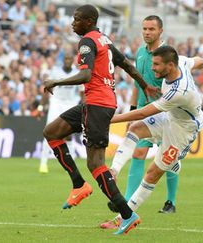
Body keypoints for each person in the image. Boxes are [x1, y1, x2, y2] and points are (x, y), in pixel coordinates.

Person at [42, 5, 158, 234]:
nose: (73, 23)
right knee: (52, 132)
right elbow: (126, 65)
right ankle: (78, 184)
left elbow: (86, 74)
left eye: (77, 19)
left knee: (96, 164)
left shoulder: (87, 42)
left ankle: (128, 215)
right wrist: (145, 85)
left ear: (89, 21)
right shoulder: (104, 40)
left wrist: (56, 81)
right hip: (96, 103)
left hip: (97, 104)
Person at [101, 45, 203, 229]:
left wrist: (109, 119)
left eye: (156, 64)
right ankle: (114, 171)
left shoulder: (179, 91)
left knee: (152, 173)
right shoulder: (181, 62)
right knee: (135, 129)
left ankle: (124, 218)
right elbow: (198, 60)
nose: (152, 68)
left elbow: (143, 113)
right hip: (171, 116)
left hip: (183, 130)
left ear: (170, 65)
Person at [103, 16, 179, 224]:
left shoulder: (167, 55)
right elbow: (138, 84)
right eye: (144, 28)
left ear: (160, 31)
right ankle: (126, 201)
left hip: (167, 113)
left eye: (151, 29)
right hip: (145, 112)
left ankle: (170, 201)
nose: (147, 32)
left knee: (168, 159)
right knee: (138, 152)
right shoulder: (140, 52)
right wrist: (134, 109)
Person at [39, 54, 81, 173]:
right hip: (56, 103)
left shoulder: (77, 72)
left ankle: (72, 163)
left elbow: (82, 91)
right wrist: (40, 106)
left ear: (72, 60)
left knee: (69, 133)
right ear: (63, 60)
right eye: (66, 59)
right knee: (49, 130)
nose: (68, 61)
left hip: (70, 103)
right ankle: (43, 163)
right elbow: (47, 90)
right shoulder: (55, 71)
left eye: (69, 58)